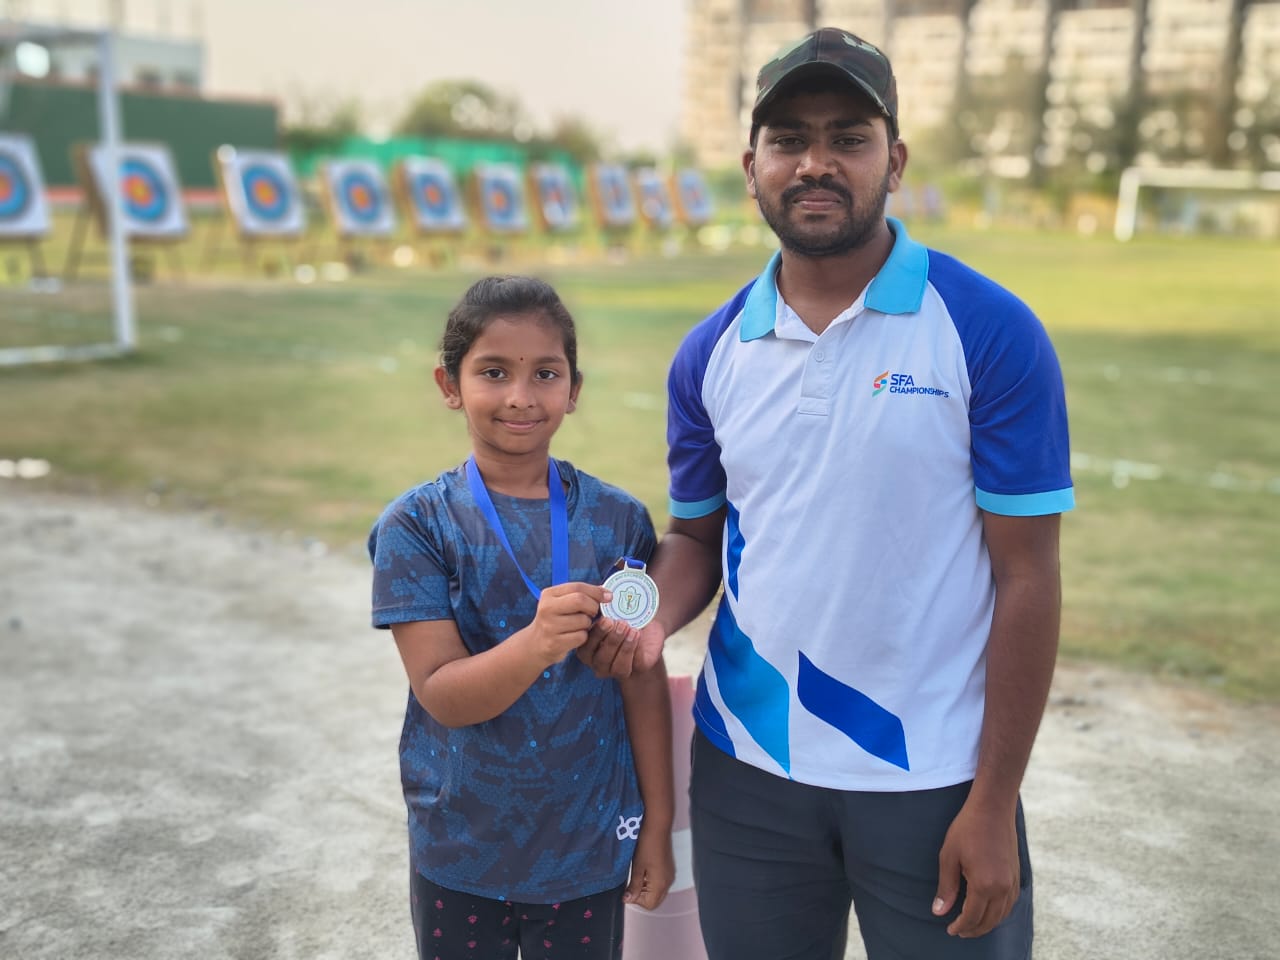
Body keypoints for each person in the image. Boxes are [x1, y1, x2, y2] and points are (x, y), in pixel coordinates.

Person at [581, 26, 1074, 960]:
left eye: (848, 136)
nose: (816, 162)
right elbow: (695, 536)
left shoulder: (990, 331)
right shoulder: (710, 351)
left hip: (931, 778)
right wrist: (640, 612)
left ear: (896, 160)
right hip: (749, 771)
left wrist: (995, 800)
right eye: (789, 139)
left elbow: (1029, 579)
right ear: (750, 165)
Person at [369, 276, 675, 960]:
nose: (520, 396)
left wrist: (656, 823)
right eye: (493, 372)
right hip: (461, 845)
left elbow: (642, 679)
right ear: (450, 385)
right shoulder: (417, 526)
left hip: (589, 844)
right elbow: (443, 695)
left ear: (574, 388)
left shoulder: (618, 519)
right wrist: (538, 643)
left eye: (545, 373)